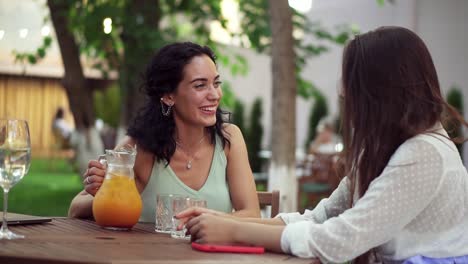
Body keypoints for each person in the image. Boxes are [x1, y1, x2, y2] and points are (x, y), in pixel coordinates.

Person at [176, 26, 468, 263]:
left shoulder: (424, 152)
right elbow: (321, 218)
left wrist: (235, 231)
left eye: (351, 79)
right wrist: (222, 220)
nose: (342, 89)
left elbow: (341, 239)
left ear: (379, 89)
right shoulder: (386, 149)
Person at [68, 42, 260, 220]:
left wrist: (208, 222)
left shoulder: (229, 139)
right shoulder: (138, 148)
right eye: (200, 85)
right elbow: (75, 209)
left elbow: (252, 214)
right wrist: (101, 191)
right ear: (168, 96)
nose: (215, 95)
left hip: (213, 256)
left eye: (216, 83)